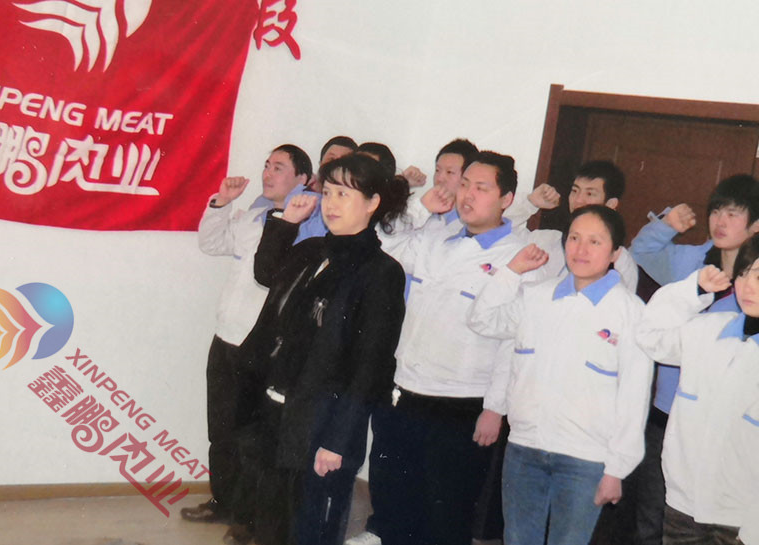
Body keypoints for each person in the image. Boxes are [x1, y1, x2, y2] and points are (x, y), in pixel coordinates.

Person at [361, 151, 544, 545]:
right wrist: (419, 209)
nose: (467, 195)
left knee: (446, 515)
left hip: (462, 402)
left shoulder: (520, 256)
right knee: (393, 501)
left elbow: (514, 341)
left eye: (481, 188)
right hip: (405, 389)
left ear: (506, 199)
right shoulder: (436, 237)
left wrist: (495, 408)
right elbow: (379, 248)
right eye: (464, 184)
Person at [234, 153, 410, 545]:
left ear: (373, 202)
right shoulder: (313, 250)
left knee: (311, 529)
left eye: (344, 194)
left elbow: (370, 364)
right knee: (271, 525)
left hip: (325, 423)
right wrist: (286, 223)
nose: (331, 203)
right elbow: (266, 273)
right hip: (279, 412)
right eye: (328, 192)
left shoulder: (381, 272)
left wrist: (338, 439)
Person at [468, 205, 653, 545]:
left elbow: (634, 398)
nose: (581, 249)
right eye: (574, 238)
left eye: (595, 242)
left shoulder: (631, 313)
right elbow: (482, 320)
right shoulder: (536, 297)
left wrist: (617, 469)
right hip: (524, 449)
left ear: (615, 253)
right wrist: (511, 271)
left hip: (586, 459)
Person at [180, 144, 313, 524]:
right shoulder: (254, 217)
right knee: (220, 429)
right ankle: (222, 502)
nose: (267, 173)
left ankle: (248, 514)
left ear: (302, 179)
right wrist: (222, 203)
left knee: (249, 435)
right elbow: (211, 243)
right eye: (267, 165)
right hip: (225, 335)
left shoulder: (307, 228)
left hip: (260, 346)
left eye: (279, 168)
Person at [627, 174, 759, 543]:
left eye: (733, 213)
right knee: (651, 520)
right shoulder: (695, 270)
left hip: (738, 503)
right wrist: (692, 287)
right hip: (676, 438)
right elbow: (652, 334)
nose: (720, 221)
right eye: (716, 211)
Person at [504, 160, 639, 289]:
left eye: (589, 194)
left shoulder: (619, 259)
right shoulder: (546, 240)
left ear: (610, 204)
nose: (578, 200)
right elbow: (500, 234)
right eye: (575, 191)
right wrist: (530, 203)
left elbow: (621, 302)